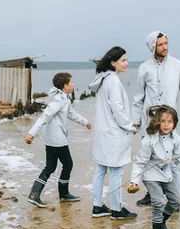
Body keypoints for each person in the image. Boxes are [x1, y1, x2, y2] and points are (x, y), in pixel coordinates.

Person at [132, 31, 180, 206]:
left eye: (166, 43)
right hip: (150, 122)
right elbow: (138, 97)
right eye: (160, 44)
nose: (165, 47)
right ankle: (151, 193)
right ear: (153, 47)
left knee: (173, 160)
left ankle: (175, 197)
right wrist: (135, 121)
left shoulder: (179, 66)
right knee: (148, 159)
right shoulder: (144, 68)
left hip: (169, 122)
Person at [129, 105, 180, 229]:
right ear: (157, 122)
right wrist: (134, 181)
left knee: (176, 201)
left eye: (169, 122)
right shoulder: (149, 140)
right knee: (158, 202)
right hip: (151, 176)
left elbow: (179, 158)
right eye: (163, 121)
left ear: (174, 124)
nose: (166, 125)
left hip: (167, 174)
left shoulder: (176, 138)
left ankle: (162, 222)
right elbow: (139, 163)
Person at [25, 72, 92, 208]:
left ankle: (36, 194)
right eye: (71, 82)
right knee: (67, 164)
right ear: (65, 86)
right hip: (57, 139)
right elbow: (44, 117)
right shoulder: (58, 100)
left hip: (52, 138)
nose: (73, 85)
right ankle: (62, 194)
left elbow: (71, 114)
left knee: (51, 166)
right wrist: (31, 133)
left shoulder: (64, 98)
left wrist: (84, 122)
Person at [89, 46, 137, 220]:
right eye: (123, 60)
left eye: (126, 59)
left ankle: (97, 206)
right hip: (113, 132)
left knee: (100, 170)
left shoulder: (103, 79)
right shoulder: (113, 81)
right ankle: (117, 209)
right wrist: (129, 125)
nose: (126, 63)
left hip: (103, 131)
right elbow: (117, 109)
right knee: (116, 172)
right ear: (113, 62)